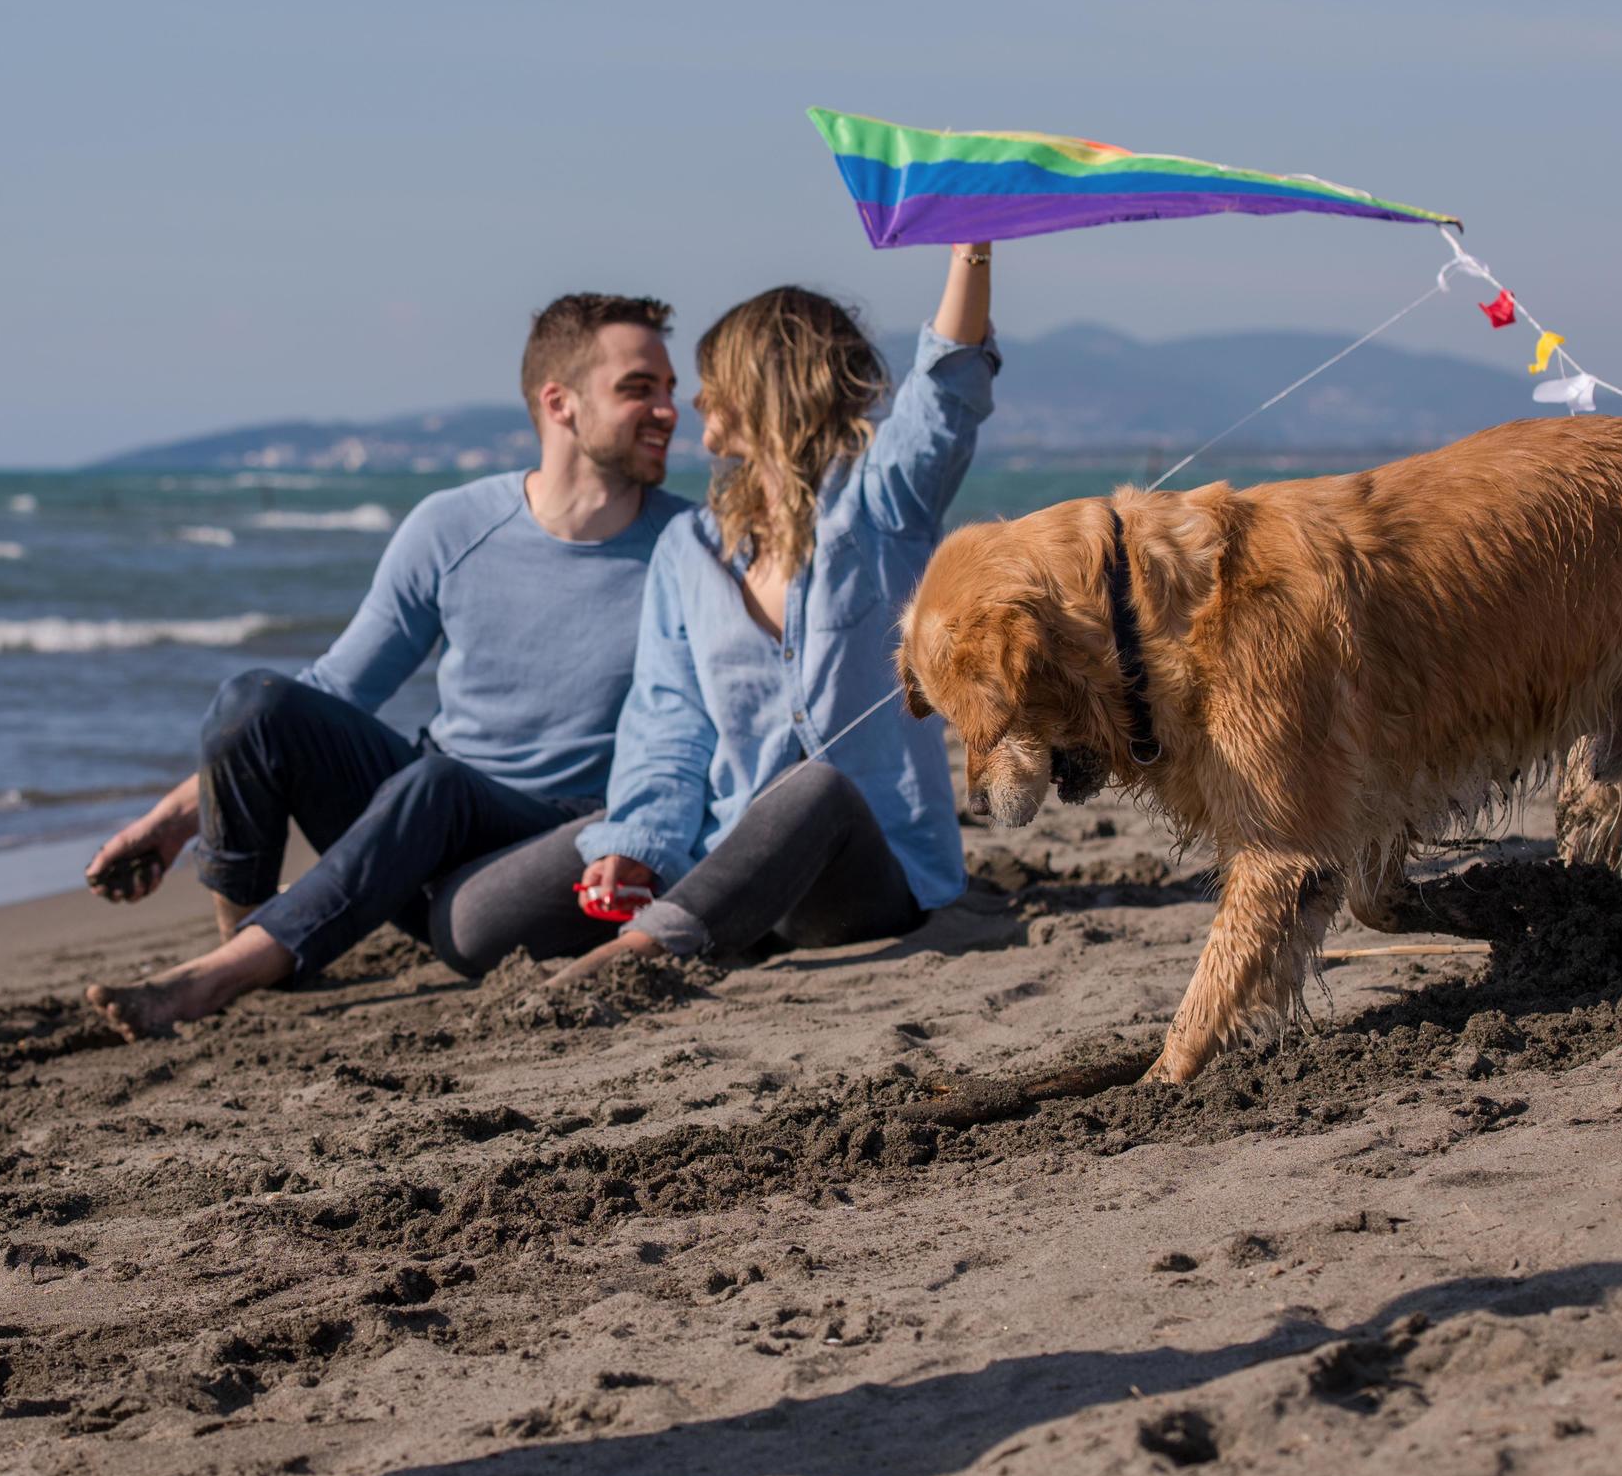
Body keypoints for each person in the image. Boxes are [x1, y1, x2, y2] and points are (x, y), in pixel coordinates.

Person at [82, 292, 689, 1037]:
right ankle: (244, 938)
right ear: (558, 402)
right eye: (639, 389)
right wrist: (179, 819)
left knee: (435, 781)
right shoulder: (453, 525)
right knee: (256, 703)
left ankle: (215, 982)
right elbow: (338, 689)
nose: (668, 410)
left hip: (556, 844)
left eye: (670, 390)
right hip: (419, 836)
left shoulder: (688, 546)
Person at [543, 248, 1000, 984]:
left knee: (814, 788)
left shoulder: (882, 507)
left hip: (862, 884)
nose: (695, 402)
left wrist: (969, 252)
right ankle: (671, 917)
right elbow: (669, 722)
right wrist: (636, 843)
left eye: (714, 380)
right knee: (483, 924)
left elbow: (945, 395)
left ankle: (646, 951)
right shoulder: (690, 548)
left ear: (768, 387)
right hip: (732, 869)